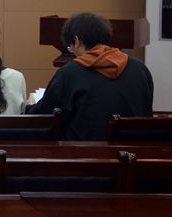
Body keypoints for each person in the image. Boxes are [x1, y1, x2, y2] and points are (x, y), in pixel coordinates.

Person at [27, 12, 154, 140]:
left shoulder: (70, 73)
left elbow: (44, 116)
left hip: (84, 150)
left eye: (70, 46)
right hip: (137, 148)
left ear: (76, 41)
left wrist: (28, 107)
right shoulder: (140, 69)